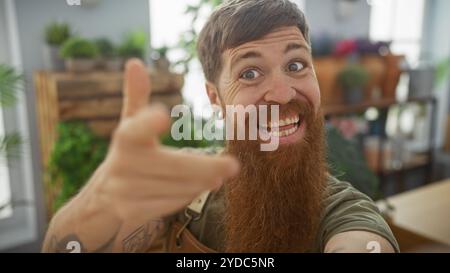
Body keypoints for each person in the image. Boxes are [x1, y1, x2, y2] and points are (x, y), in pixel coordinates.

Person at [42, 0, 399, 253]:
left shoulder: (345, 212)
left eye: (295, 65)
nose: (282, 92)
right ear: (215, 98)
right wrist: (97, 209)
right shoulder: (183, 187)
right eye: (249, 72)